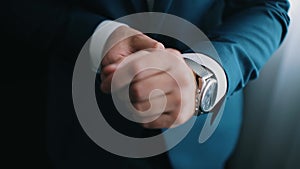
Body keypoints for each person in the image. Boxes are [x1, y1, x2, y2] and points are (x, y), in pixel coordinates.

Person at [7, 0, 290, 168]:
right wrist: (97, 38)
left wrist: (205, 74)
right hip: (82, 132)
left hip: (202, 141)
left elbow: (266, 6)